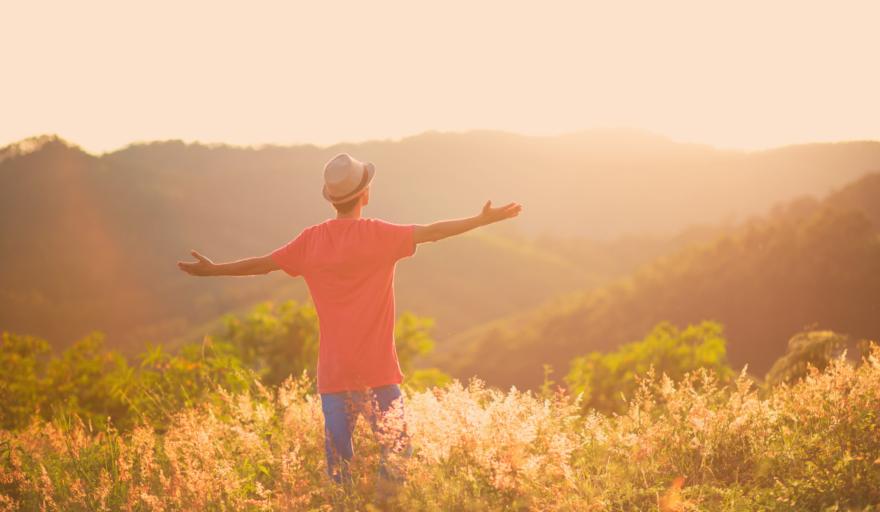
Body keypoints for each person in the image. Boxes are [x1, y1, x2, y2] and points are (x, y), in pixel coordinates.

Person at [177, 152, 522, 490]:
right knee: (398, 456)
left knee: (339, 472)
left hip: (335, 375)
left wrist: (213, 270)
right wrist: (480, 220)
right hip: (379, 372)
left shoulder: (310, 241)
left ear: (332, 200)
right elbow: (433, 231)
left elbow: (261, 264)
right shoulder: (379, 235)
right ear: (366, 195)